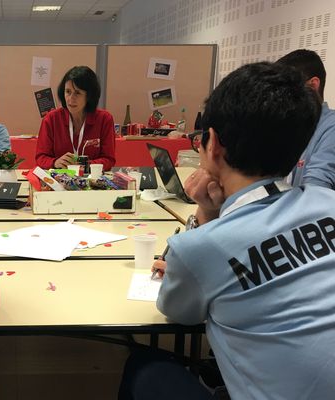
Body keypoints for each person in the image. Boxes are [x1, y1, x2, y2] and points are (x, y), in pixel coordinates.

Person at [119, 62, 335, 400]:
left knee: (147, 369)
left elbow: (177, 311)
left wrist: (205, 211)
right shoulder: (328, 200)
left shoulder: (200, 248)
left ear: (213, 143)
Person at [35, 66, 116, 171]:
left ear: (89, 96)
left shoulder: (104, 119)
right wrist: (55, 162)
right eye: (68, 91)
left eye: (77, 93)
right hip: (60, 181)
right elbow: (41, 157)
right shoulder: (51, 119)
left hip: (93, 181)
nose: (71, 98)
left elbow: (109, 159)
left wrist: (85, 166)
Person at [277, 49, 335, 189]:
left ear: (313, 85)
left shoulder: (331, 128)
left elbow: (316, 189)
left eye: (286, 89)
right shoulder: (291, 127)